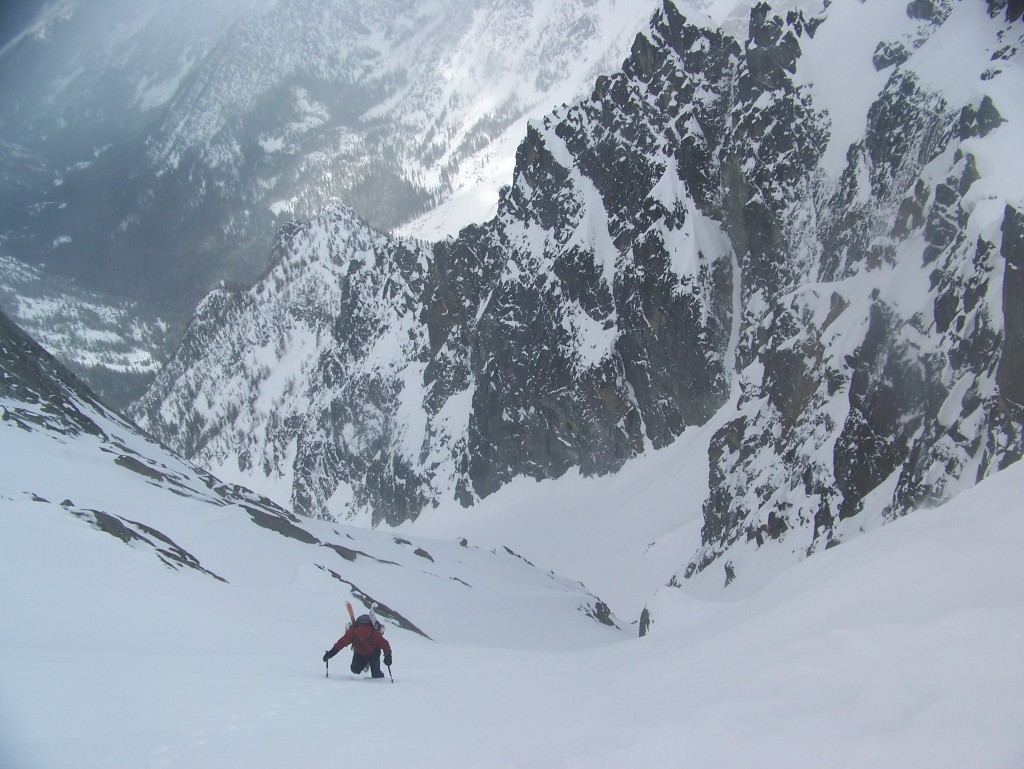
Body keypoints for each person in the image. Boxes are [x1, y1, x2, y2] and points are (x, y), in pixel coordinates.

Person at [323, 614, 393, 678]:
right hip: (359, 652)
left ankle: (375, 672)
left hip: (373, 653)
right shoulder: (353, 632)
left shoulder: (374, 634)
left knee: (376, 675)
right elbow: (341, 643)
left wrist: (388, 656)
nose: (362, 639)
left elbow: (385, 645)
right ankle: (366, 663)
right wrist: (331, 653)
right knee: (355, 670)